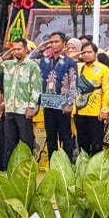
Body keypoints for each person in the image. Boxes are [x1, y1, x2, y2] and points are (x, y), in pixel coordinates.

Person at [0, 38, 41, 170]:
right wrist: (3, 57)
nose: (16, 52)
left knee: (25, 142)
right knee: (9, 141)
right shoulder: (8, 65)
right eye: (14, 49)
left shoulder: (32, 66)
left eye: (19, 49)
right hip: (10, 109)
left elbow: (36, 87)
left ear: (26, 49)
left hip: (24, 110)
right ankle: (10, 169)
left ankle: (26, 169)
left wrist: (32, 106)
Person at [36, 32, 78, 160]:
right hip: (48, 103)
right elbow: (30, 59)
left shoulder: (69, 62)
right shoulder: (44, 61)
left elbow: (73, 83)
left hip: (63, 104)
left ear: (64, 43)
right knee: (50, 137)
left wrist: (69, 103)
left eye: (56, 41)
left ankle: (66, 166)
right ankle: (53, 165)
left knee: (65, 136)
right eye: (51, 42)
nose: (53, 44)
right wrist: (42, 47)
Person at [73, 42, 109, 156]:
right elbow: (66, 60)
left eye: (89, 52)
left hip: (96, 113)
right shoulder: (78, 67)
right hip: (79, 111)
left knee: (96, 143)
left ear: (95, 53)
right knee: (82, 142)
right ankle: (83, 168)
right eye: (84, 52)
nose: (86, 55)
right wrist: (78, 54)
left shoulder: (103, 69)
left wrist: (105, 109)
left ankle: (96, 169)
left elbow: (108, 91)